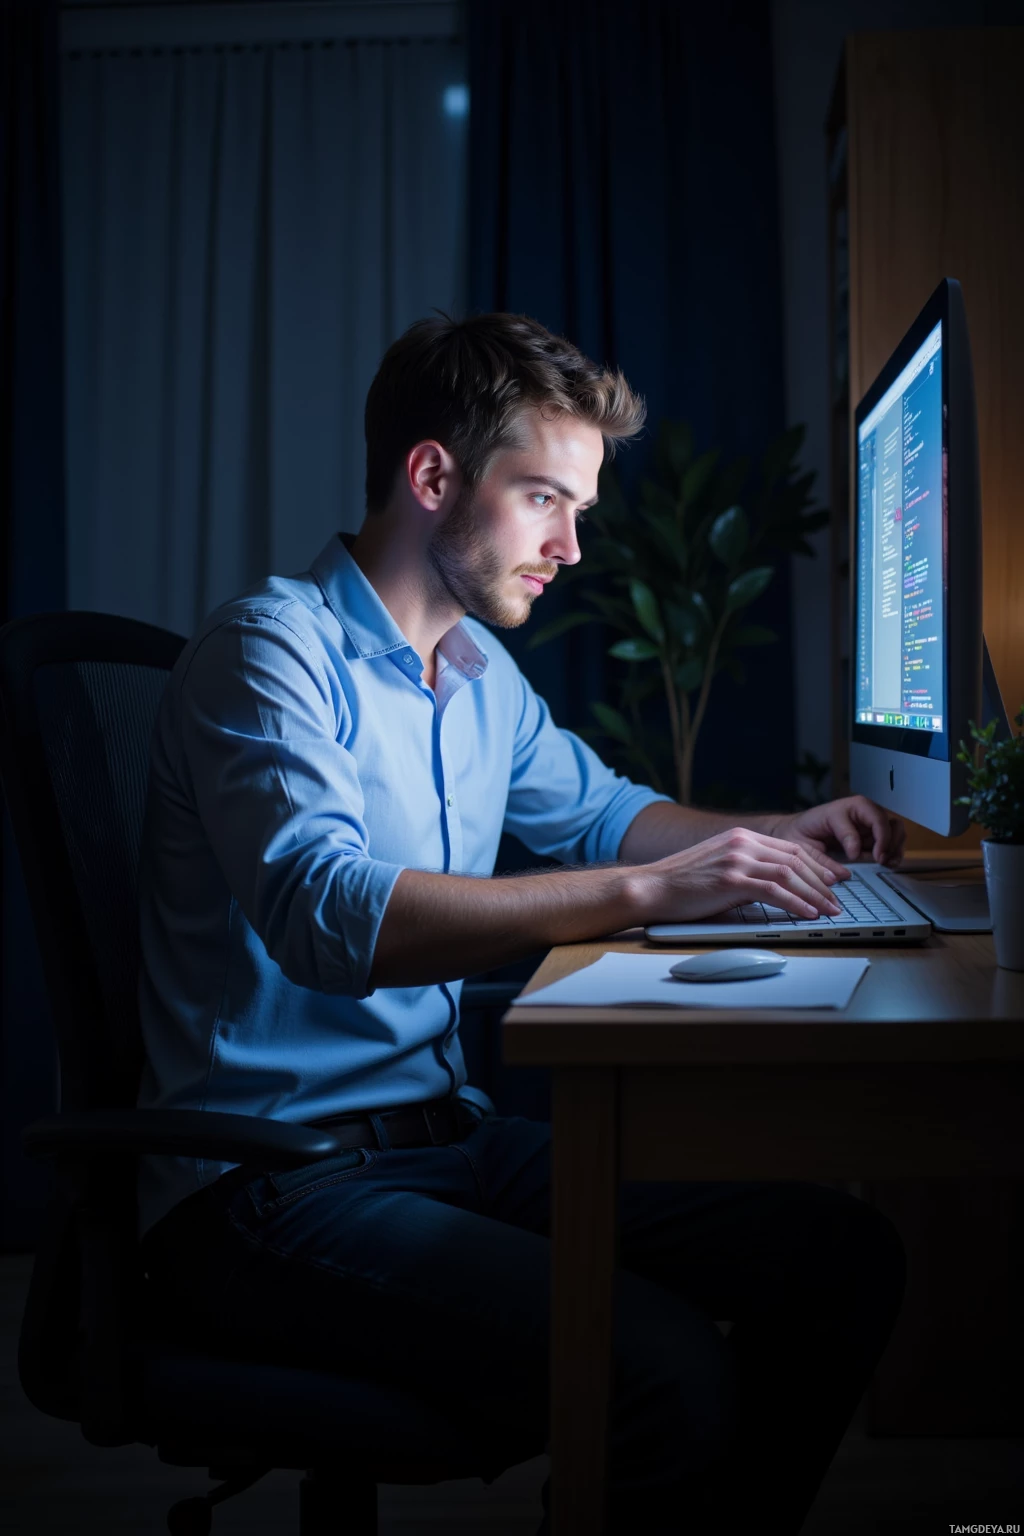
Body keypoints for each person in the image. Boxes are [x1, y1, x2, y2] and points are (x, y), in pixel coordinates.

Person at [138, 311, 907, 1534]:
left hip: (446, 1145)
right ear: (434, 475)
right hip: (270, 1185)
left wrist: (780, 832)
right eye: (545, 500)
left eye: (581, 512)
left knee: (837, 1255)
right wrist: (654, 892)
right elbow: (329, 918)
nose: (570, 548)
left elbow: (603, 817)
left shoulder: (481, 679)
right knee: (662, 1369)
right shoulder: (270, 650)